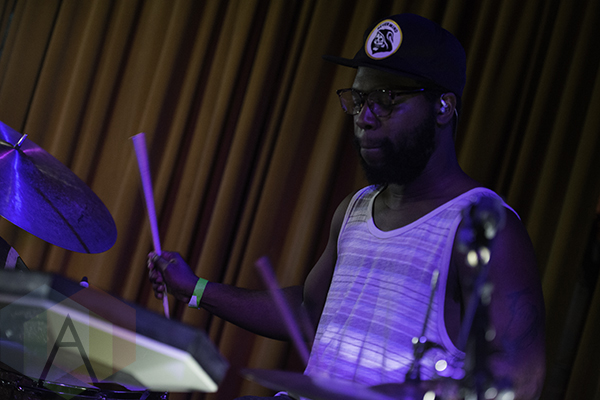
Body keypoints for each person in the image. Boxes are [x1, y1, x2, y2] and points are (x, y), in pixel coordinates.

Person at [148, 13, 545, 400]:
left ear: (443, 106)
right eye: (358, 99)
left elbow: (519, 383)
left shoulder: (483, 226)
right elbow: (309, 312)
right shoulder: (355, 209)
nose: (364, 118)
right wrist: (196, 289)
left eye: (386, 99)